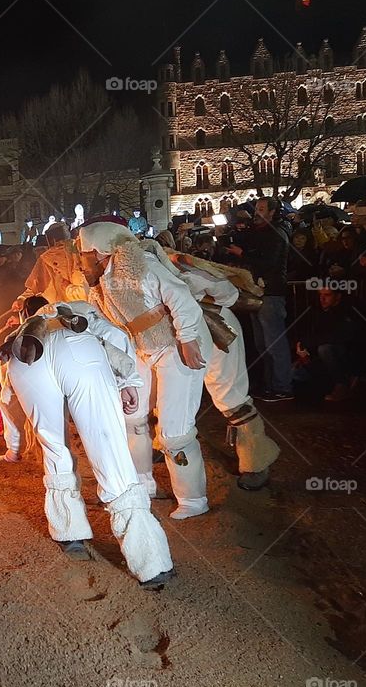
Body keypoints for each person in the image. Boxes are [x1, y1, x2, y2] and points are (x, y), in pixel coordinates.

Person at [1, 301, 174, 587]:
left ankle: (70, 534)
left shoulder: (18, 337)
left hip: (27, 361)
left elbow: (7, 400)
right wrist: (127, 380)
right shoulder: (76, 307)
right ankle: (151, 564)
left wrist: (14, 445)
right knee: (109, 449)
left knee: (55, 447)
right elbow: (116, 337)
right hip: (79, 350)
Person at [77, 216, 213, 520]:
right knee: (133, 417)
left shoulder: (142, 266)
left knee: (174, 430)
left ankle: (193, 499)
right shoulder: (99, 283)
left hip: (174, 345)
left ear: (100, 250)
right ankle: (142, 483)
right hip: (142, 348)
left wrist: (188, 337)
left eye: (85, 254)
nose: (82, 261)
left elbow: (179, 296)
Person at [166, 250, 280, 490]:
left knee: (230, 394)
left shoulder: (181, 268)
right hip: (168, 335)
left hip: (217, 329)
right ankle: (162, 448)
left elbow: (228, 296)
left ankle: (255, 459)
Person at [229, 197, 293, 401]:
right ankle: (270, 384)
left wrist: (243, 254)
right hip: (257, 292)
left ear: (273, 212)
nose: (257, 212)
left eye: (262, 209)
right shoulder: (258, 233)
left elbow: (269, 263)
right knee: (262, 343)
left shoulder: (277, 234)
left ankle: (283, 386)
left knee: (274, 341)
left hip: (271, 292)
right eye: (257, 208)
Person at [293, 288, 359, 401]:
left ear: (337, 296)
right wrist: (303, 356)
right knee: (293, 373)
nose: (322, 299)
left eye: (327, 295)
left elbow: (337, 338)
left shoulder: (347, 313)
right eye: (320, 295)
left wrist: (307, 344)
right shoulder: (319, 312)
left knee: (325, 349)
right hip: (321, 359)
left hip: (345, 358)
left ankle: (341, 384)